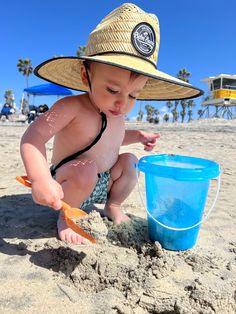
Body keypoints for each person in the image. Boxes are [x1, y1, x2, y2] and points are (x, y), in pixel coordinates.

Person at [20, 3, 202, 244]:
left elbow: (112, 140)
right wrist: (41, 179)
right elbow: (33, 136)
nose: (122, 102)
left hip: (101, 181)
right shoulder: (71, 107)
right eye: (113, 89)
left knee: (130, 162)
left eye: (133, 95)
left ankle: (113, 205)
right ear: (87, 77)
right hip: (69, 183)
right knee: (84, 169)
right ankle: (67, 217)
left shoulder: (116, 114)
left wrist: (137, 136)